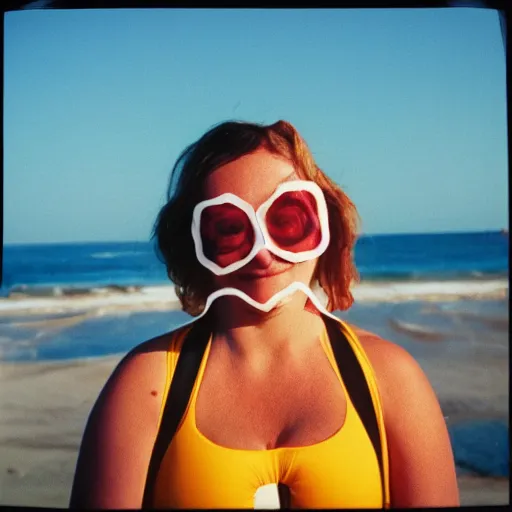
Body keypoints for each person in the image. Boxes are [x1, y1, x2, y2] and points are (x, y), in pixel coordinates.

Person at [69, 120, 460, 509]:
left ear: (325, 219)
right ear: (192, 242)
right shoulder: (146, 385)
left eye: (287, 219)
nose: (262, 252)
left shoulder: (391, 380)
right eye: (229, 228)